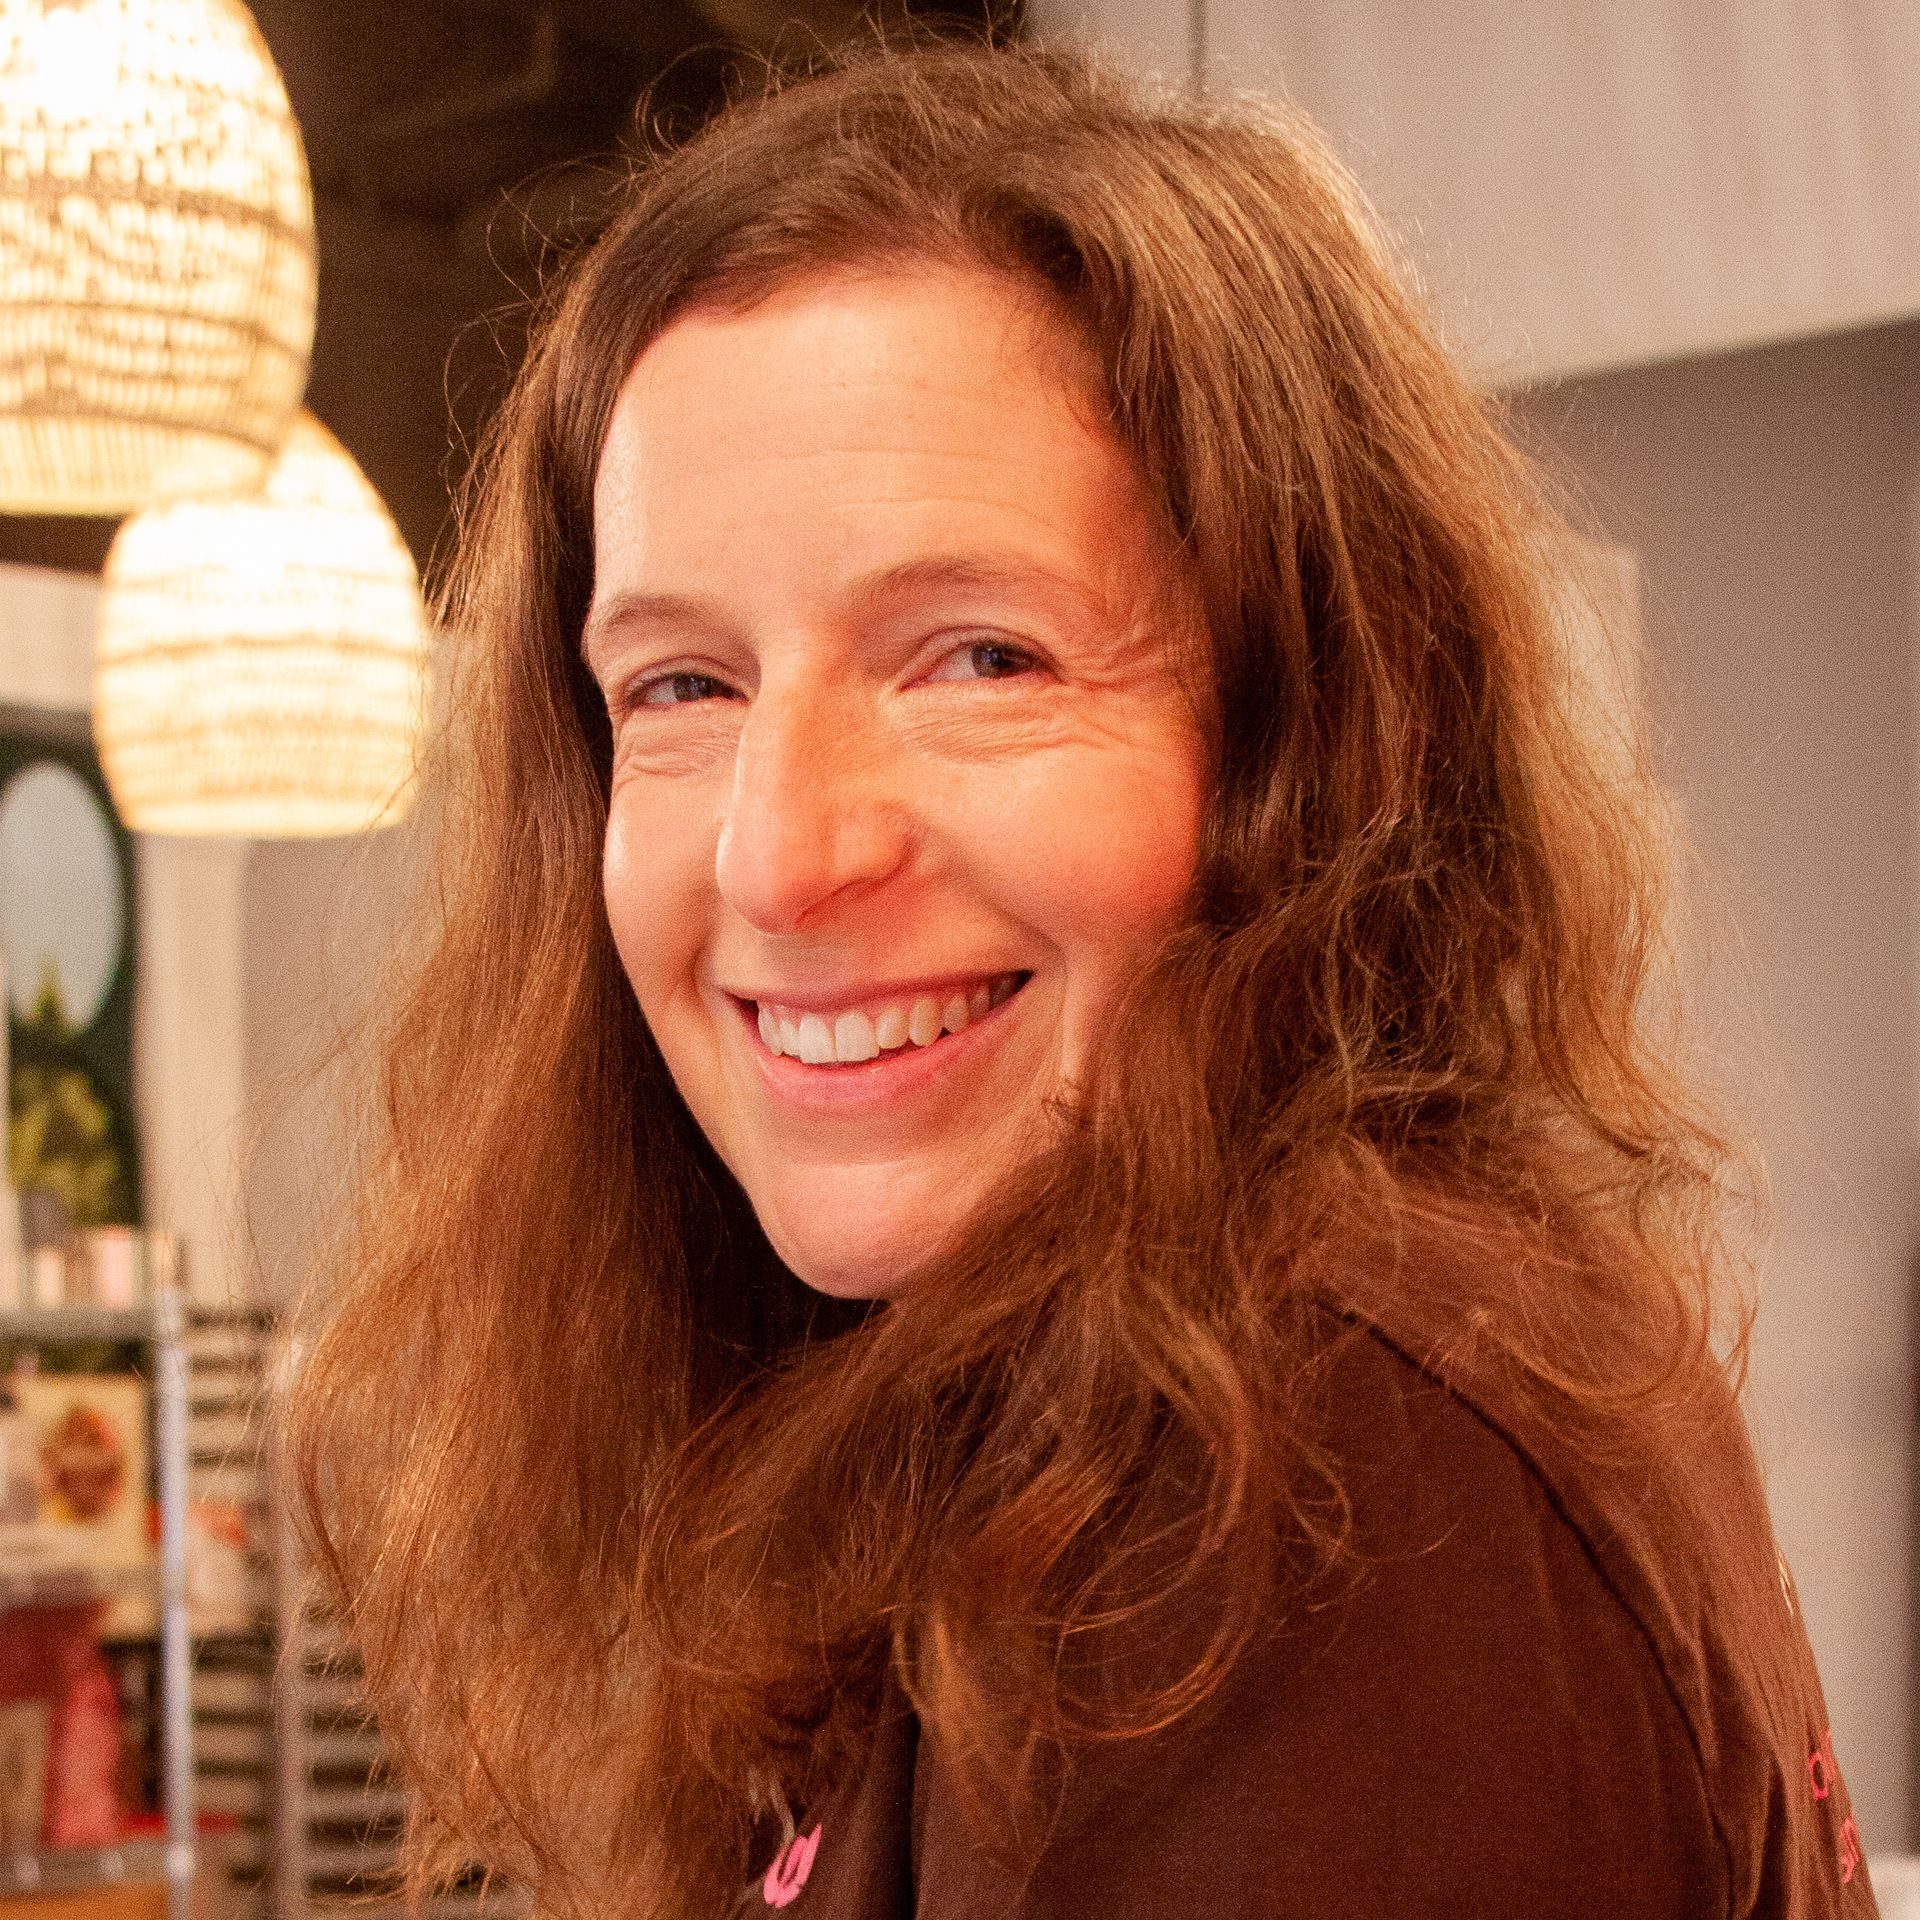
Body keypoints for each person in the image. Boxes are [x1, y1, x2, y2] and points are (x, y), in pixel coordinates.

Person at [283, 42, 1879, 1920]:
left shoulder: (1309, 1474)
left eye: (981, 659)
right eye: (682, 688)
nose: (779, 857)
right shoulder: (1060, 1400)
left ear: (1315, 738)